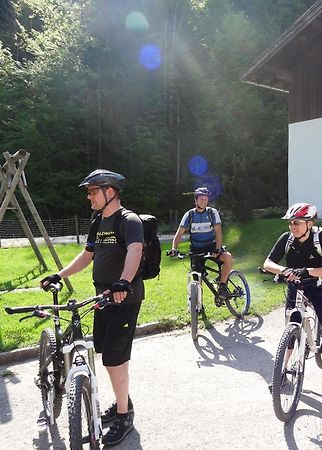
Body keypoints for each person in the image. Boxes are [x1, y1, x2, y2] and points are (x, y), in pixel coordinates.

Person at [40, 169, 144, 446]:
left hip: (124, 298)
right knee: (106, 352)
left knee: (114, 358)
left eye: (93, 191)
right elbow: (88, 255)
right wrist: (59, 275)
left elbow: (135, 251)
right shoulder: (98, 220)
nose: (89, 196)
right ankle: (124, 401)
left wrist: (124, 281)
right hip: (102, 298)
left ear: (110, 192)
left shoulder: (128, 220)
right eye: (88, 191)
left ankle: (124, 416)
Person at [263, 202, 322, 402]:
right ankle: (284, 371)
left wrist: (308, 271)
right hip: (295, 288)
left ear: (309, 223)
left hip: (320, 288)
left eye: (297, 223)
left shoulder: (320, 238)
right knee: (291, 330)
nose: (292, 227)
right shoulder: (287, 239)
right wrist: (284, 271)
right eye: (290, 223)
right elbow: (267, 263)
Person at [168, 187, 232, 300]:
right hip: (196, 249)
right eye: (201, 199)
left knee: (227, 257)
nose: (204, 201)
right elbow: (179, 233)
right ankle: (198, 305)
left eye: (206, 199)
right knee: (197, 279)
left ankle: (222, 286)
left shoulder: (213, 212)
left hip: (211, 246)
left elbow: (218, 232)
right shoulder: (190, 215)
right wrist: (174, 248)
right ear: (196, 200)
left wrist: (217, 248)